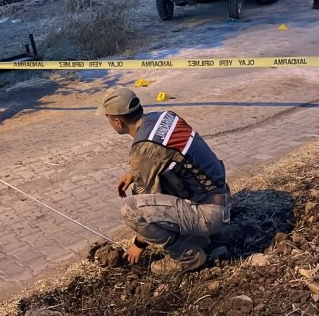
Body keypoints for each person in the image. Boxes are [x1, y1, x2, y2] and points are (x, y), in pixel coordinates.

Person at [97, 87, 230, 275]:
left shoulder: (144, 148)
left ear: (117, 122)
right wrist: (135, 173)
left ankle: (187, 255)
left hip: (210, 215)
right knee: (161, 184)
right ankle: (203, 235)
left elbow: (146, 202)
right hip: (221, 198)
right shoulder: (164, 117)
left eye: (108, 119)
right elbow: (170, 157)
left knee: (131, 209)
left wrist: (138, 244)